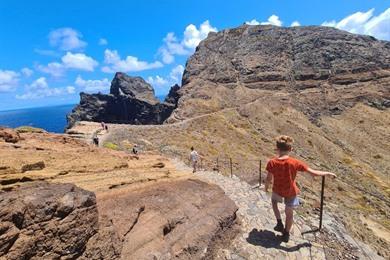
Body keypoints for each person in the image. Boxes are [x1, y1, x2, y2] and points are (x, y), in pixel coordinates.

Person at [265, 135, 336, 243]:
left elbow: (269, 178)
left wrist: (266, 187)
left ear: (277, 148)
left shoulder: (272, 162)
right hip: (291, 191)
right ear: (290, 149)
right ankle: (286, 234)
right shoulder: (295, 162)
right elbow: (314, 173)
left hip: (277, 189)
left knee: (274, 202)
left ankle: (279, 222)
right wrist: (327, 173)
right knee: (289, 214)